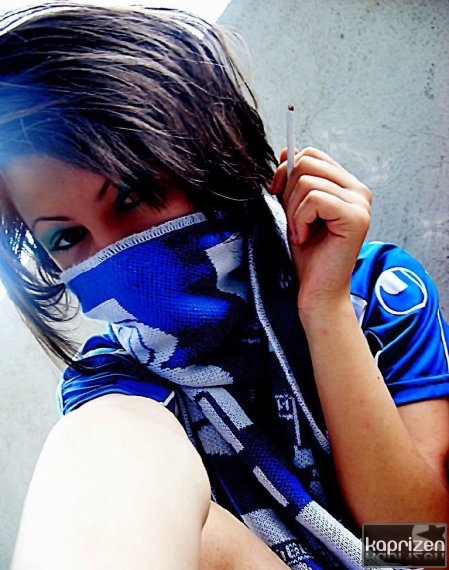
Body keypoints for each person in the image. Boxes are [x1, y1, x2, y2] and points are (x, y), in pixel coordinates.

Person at [0, 2, 448, 569]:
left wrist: (326, 310)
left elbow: (427, 549)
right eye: (66, 238)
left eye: (134, 195)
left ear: (210, 159)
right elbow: (109, 476)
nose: (115, 253)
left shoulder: (377, 292)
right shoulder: (113, 380)